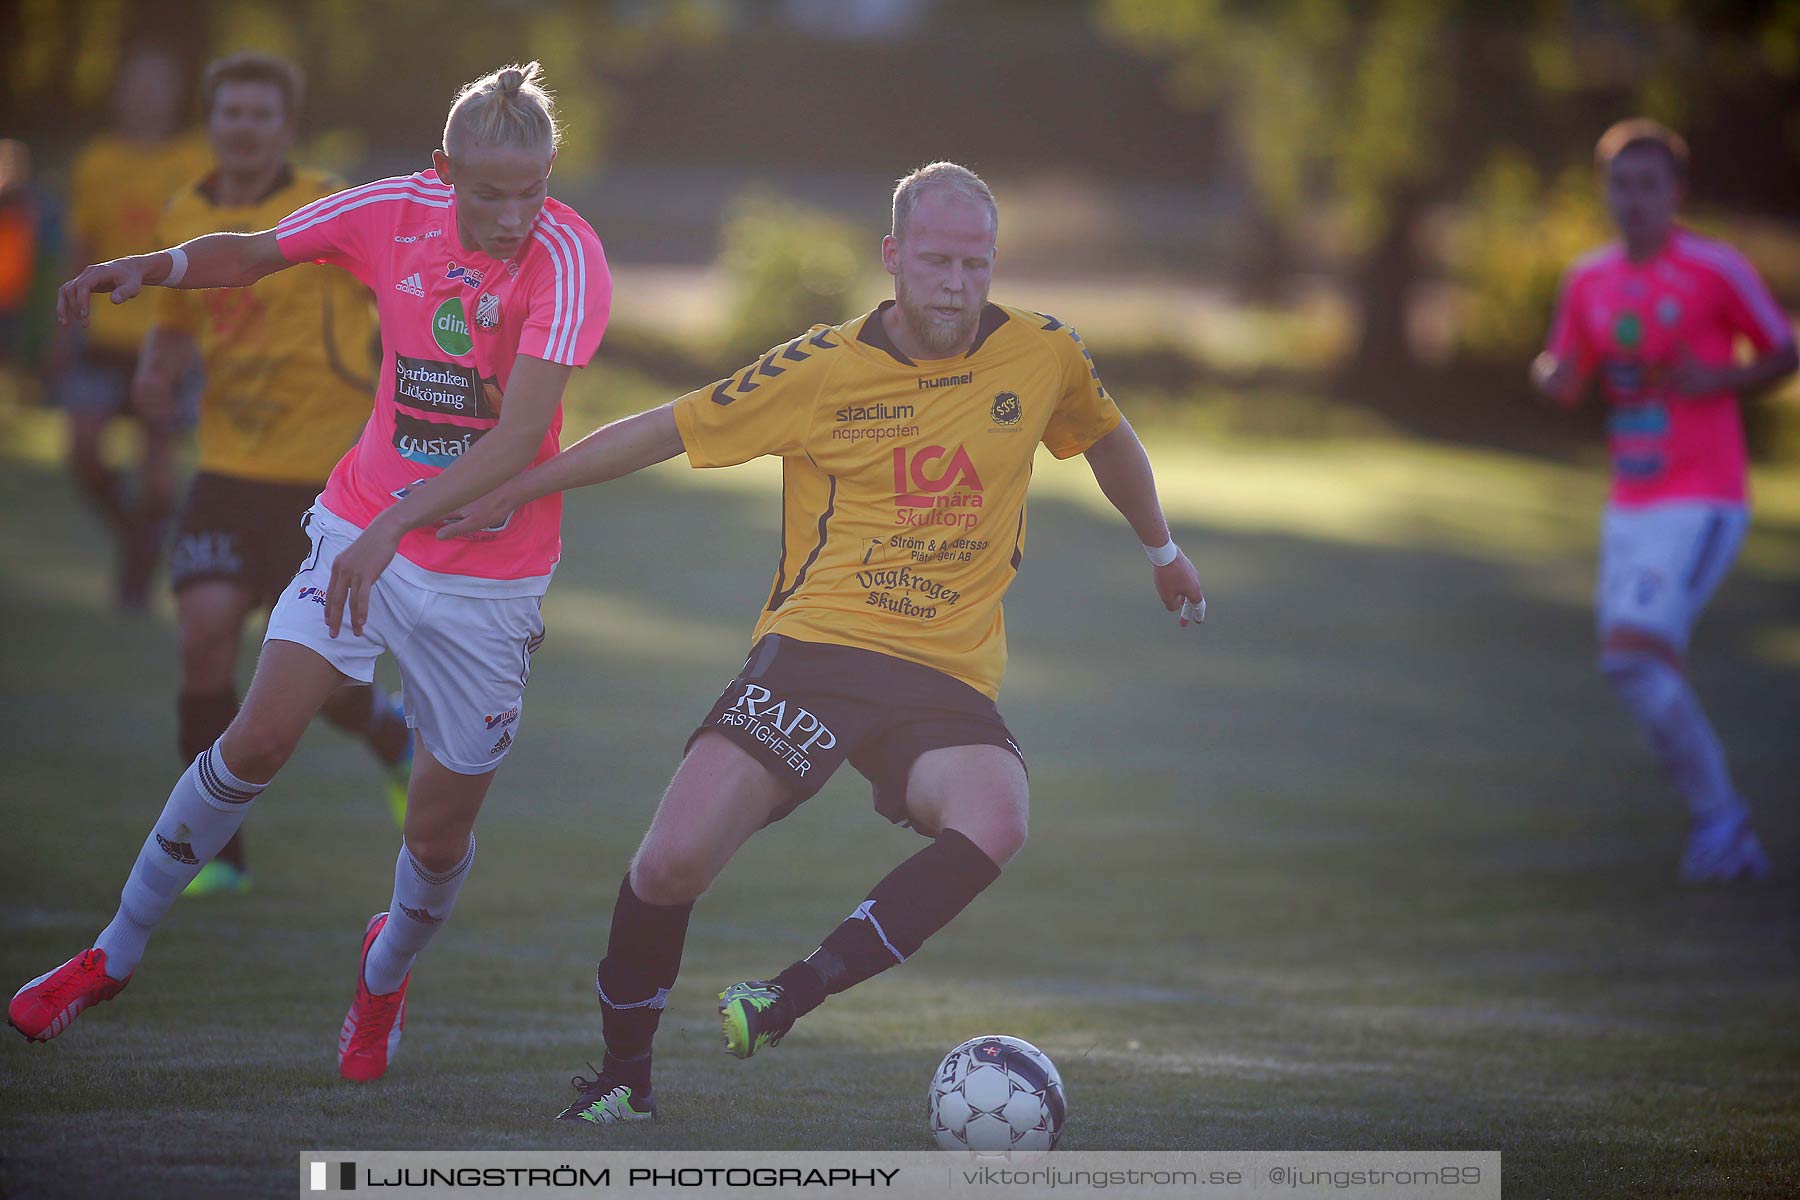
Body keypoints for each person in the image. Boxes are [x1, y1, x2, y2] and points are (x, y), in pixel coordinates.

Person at [435, 161, 1204, 1123]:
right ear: (892, 258)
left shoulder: (1044, 353)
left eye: (975, 262)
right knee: (670, 865)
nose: (957, 284)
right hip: (818, 651)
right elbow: (666, 429)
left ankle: (787, 996)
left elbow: (1107, 434)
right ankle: (624, 1080)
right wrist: (519, 485)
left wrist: (1162, 549)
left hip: (943, 673)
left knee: (997, 814)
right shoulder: (819, 367)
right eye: (935, 260)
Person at [9, 63, 611, 1086]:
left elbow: (517, 441)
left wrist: (397, 531)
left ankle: (383, 976)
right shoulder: (395, 210)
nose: (514, 215)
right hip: (357, 521)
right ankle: (110, 954)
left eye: (532, 188)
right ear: (443, 171)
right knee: (259, 735)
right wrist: (148, 267)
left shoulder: (569, 256)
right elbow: (251, 253)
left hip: (487, 580)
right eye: (489, 192)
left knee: (436, 829)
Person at [134, 53, 413, 898]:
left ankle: (386, 732)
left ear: (285, 127)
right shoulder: (184, 216)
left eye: (261, 114)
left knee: (312, 690)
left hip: (327, 485)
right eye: (231, 113)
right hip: (226, 469)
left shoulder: (328, 204)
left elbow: (400, 292)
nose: (244, 126)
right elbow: (175, 320)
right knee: (204, 636)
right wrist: (155, 370)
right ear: (211, 122)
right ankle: (215, 853)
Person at [1532, 119, 1797, 884]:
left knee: (1632, 655)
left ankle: (1723, 827)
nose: (1635, 200)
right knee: (1635, 669)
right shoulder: (1587, 279)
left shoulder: (1714, 269)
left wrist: (1717, 380)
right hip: (1630, 502)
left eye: (1650, 185)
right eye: (1621, 185)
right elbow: (1568, 371)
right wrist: (1548, 375)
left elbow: (1784, 349)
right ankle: (1722, 827)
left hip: (1704, 496)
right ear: (1605, 192)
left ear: (1676, 193)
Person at [56, 45, 211, 608]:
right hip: (101, 338)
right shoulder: (96, 160)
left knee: (158, 472)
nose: (146, 96)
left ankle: (136, 578)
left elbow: (211, 248)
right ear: (120, 90)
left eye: (158, 84)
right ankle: (136, 534)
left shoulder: (197, 158)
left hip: (165, 337)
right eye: (136, 83)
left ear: (174, 94)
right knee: (82, 451)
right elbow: (80, 246)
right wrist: (60, 331)